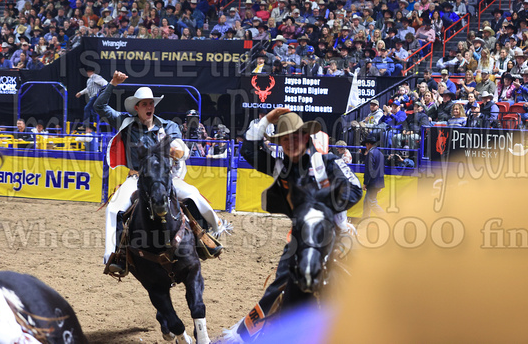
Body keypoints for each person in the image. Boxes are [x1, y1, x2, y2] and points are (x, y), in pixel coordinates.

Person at [232, 108, 363, 341]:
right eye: (284, 139)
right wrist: (265, 121)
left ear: (305, 136)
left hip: (335, 231)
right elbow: (249, 150)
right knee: (281, 281)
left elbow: (354, 189)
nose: (290, 143)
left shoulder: (328, 162)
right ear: (280, 143)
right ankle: (248, 334)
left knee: (366, 279)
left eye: (294, 137)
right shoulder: (281, 168)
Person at [94, 71, 230, 275]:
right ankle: (115, 256)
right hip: (137, 179)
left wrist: (178, 151)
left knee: (192, 194)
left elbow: (179, 146)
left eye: (151, 103)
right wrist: (112, 84)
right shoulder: (125, 123)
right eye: (144, 103)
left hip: (164, 178)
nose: (149, 106)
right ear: (136, 107)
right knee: (113, 209)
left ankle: (207, 235)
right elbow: (99, 106)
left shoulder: (168, 126)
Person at [362, 133, 385, 217]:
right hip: (377, 182)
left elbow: (369, 170)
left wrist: (365, 183)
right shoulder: (380, 154)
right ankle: (364, 222)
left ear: (368, 144)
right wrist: (380, 184)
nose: (366, 147)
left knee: (371, 202)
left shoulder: (370, 154)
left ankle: (386, 218)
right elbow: (382, 170)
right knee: (367, 202)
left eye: (366, 145)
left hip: (372, 182)